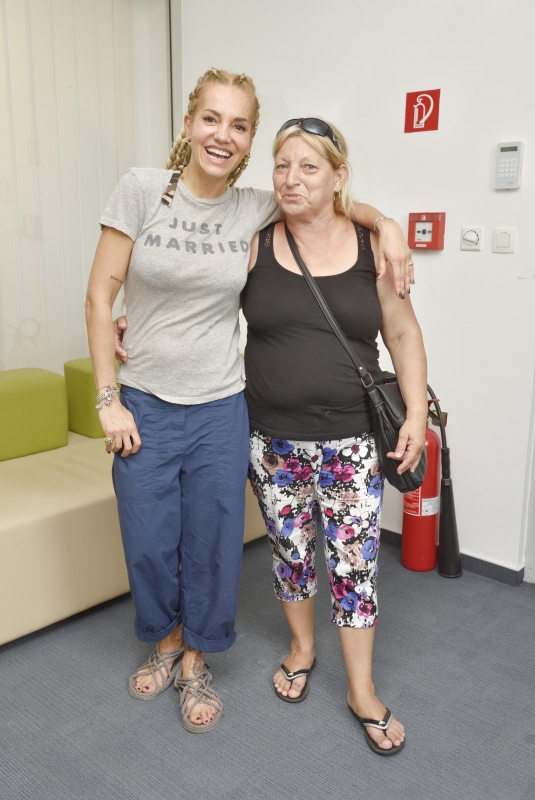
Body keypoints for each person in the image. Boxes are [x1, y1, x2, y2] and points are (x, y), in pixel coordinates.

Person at [87, 67, 413, 734]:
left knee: (212, 543)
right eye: (211, 119)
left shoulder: (255, 207)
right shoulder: (142, 189)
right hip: (145, 401)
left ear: (247, 138)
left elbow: (325, 197)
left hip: (220, 405)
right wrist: (107, 397)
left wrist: (387, 225)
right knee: (149, 541)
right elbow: (99, 296)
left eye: (238, 125)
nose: (222, 135)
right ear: (188, 124)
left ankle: (196, 659)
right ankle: (166, 640)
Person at [241, 118, 427, 754]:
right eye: (281, 165)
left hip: (351, 440)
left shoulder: (374, 248)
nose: (290, 179)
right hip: (273, 440)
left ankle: (361, 689)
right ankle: (302, 648)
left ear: (338, 176)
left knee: (355, 564)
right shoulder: (256, 242)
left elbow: (402, 332)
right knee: (290, 553)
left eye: (308, 166)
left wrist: (416, 413)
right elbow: (200, 300)